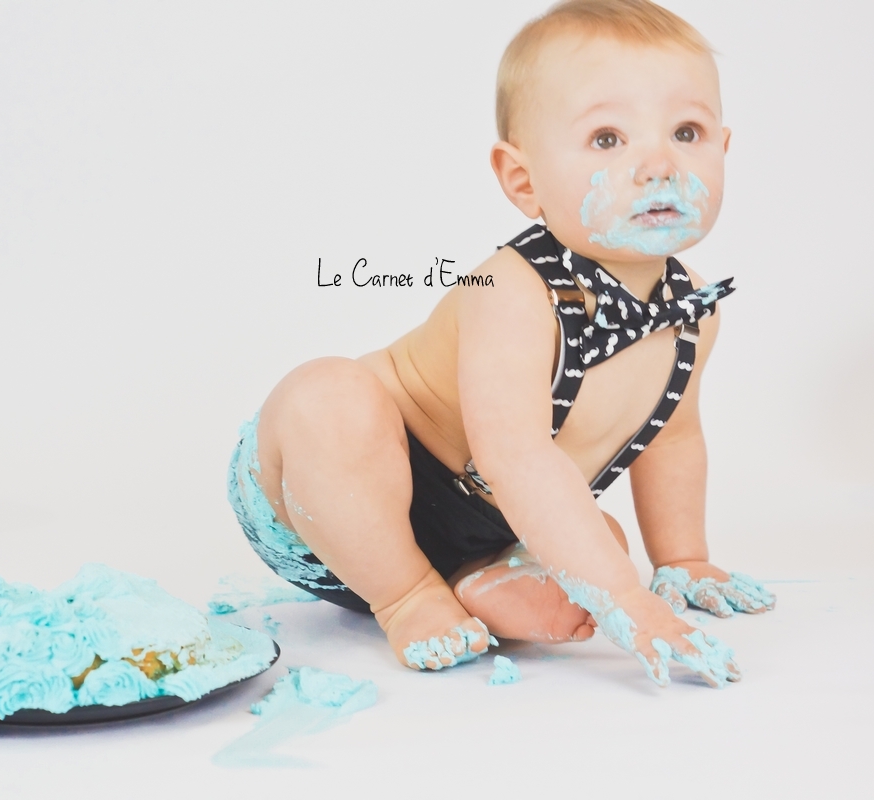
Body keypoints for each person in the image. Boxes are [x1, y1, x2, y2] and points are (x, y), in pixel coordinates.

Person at [227, 0, 775, 687]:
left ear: (724, 149)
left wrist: (682, 558)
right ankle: (406, 595)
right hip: (325, 496)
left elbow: (672, 438)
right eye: (608, 138)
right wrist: (627, 600)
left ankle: (473, 576)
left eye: (686, 132)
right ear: (523, 180)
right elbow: (514, 457)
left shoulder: (690, 310)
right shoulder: (515, 289)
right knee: (326, 396)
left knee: (594, 543)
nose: (658, 164)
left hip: (491, 520)